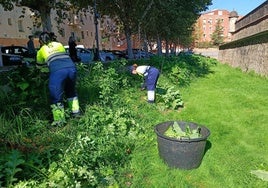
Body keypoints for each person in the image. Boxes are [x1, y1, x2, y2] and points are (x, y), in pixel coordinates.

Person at [36, 32, 80, 125]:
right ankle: (76, 115)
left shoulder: (41, 51)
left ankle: (59, 121)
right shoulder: (59, 44)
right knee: (71, 92)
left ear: (40, 41)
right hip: (71, 68)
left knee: (56, 96)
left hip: (58, 72)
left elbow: (39, 66)